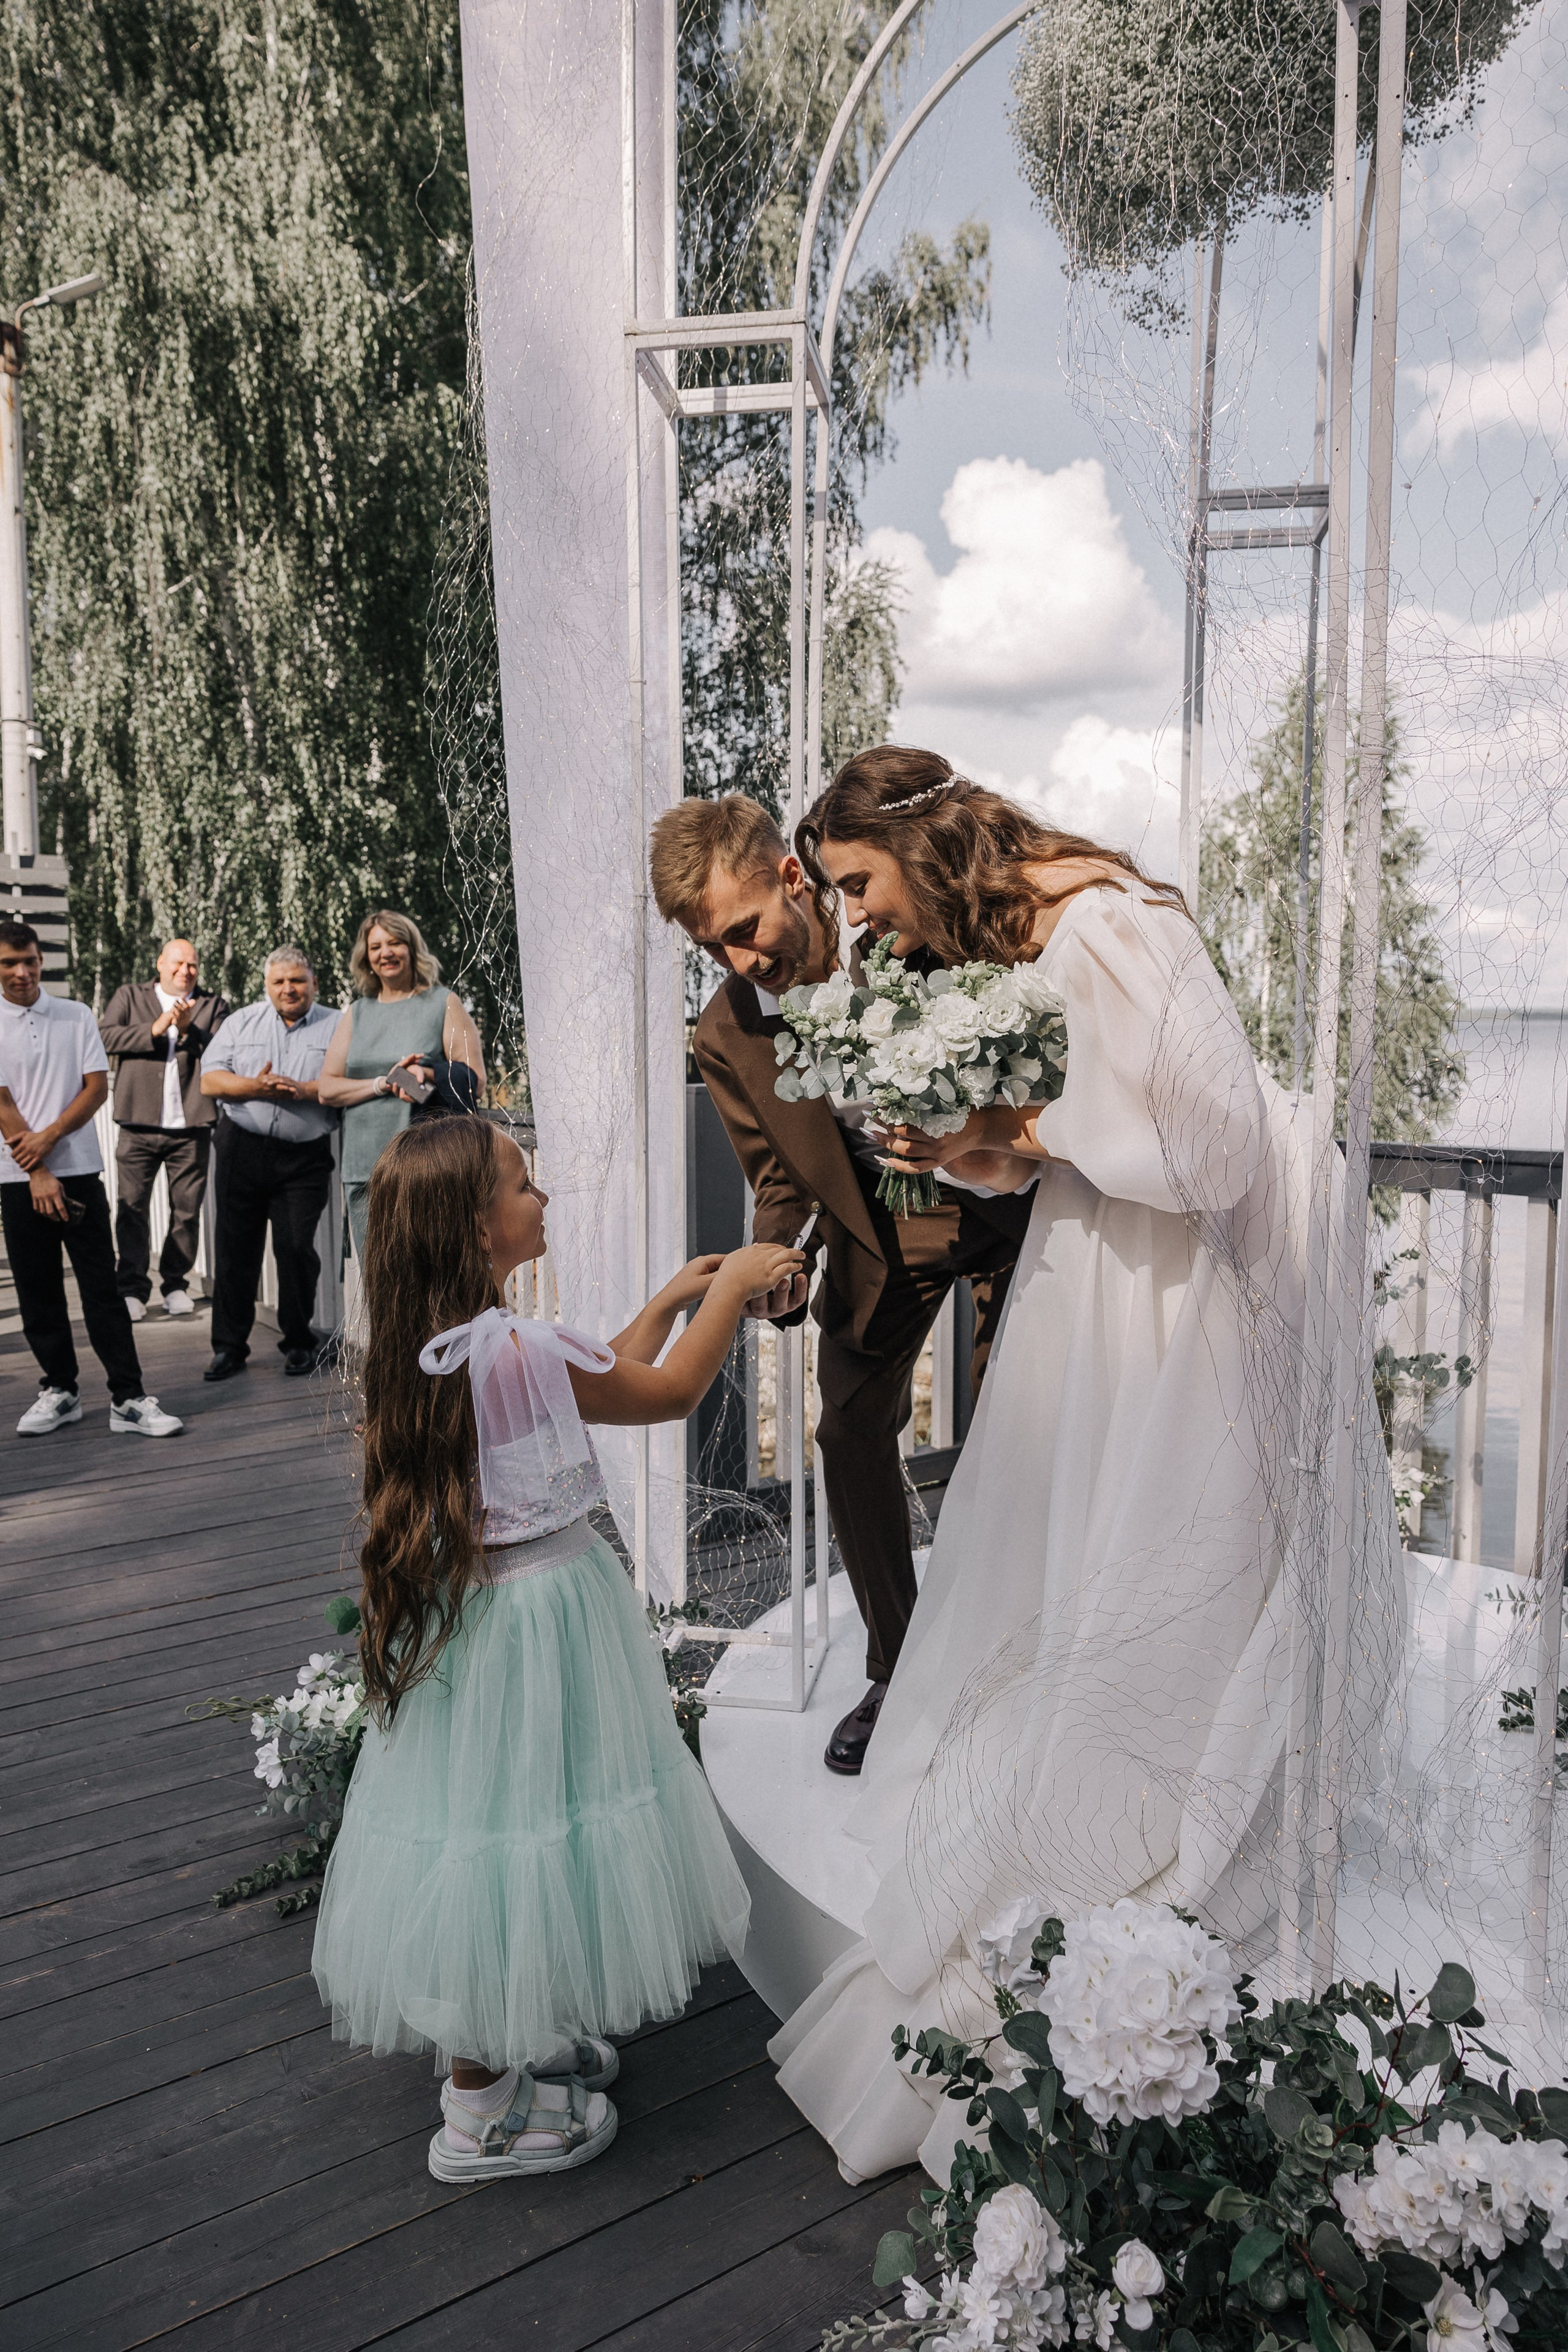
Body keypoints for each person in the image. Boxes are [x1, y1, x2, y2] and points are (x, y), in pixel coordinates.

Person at [766, 746, 1400, 2182]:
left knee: (1174, 1533)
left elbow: (1213, 1142)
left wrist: (1010, 1124)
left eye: (855, 883)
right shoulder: (1012, 937)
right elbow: (1072, 1144)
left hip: (1198, 1278)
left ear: (917, 843)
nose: (854, 918)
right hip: (1113, 1252)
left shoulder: (1110, 919)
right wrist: (967, 1145)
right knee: (1082, 1528)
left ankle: (1166, 1785)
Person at [311, 1114, 802, 2182]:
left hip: (485, 1622)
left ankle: (512, 2026)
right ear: (477, 1227)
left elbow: (592, 1377)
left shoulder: (446, 1346)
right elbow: (663, 1395)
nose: (542, 1199)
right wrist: (731, 1290)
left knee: (500, 1821)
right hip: (537, 1617)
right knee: (514, 1833)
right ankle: (480, 2109)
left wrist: (668, 1303)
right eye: (523, 1185)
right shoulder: (508, 1347)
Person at [649, 793, 1035, 1775]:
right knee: (847, 1429)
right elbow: (780, 1177)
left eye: (745, 930)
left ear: (792, 879)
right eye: (713, 948)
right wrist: (778, 1262)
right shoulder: (725, 1032)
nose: (739, 961)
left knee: (1027, 1423)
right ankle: (899, 1668)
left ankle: (1026, 1657)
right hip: (877, 1228)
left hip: (1002, 1202)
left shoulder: (904, 928)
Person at [0, 922, 183, 1437]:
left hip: (80, 1171)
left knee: (102, 1288)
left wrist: (49, 1140)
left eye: (30, 961)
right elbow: (3, 1103)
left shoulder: (75, 1014)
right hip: (18, 1177)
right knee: (37, 1291)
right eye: (9, 963)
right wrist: (37, 1168)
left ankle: (128, 1399)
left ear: (41, 961)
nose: (22, 972)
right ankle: (60, 1391)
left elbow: (96, 1089)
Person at [198, 946, 339, 1382]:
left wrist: (304, 1090)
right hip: (242, 1148)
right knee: (235, 1250)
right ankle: (228, 1348)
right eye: (279, 981)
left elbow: (347, 1083)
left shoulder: (339, 1025)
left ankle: (299, 1342)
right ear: (267, 985)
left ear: (314, 983)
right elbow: (210, 1079)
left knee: (296, 1249)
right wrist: (256, 1088)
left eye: (297, 980)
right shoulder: (241, 1022)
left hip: (304, 1158)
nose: (288, 989)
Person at [317, 910, 486, 1261]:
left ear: (412, 949)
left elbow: (476, 1080)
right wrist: (383, 1083)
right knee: (377, 1276)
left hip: (425, 1166)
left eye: (395, 943)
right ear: (366, 957)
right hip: (364, 1167)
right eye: (376, 946)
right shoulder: (357, 1012)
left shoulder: (442, 1002)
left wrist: (426, 1073)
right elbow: (327, 1089)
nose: (386, 953)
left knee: (428, 1272)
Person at [99, 937, 228, 1322]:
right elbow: (104, 1036)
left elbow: (224, 1050)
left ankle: (175, 1285)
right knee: (132, 1209)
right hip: (137, 1124)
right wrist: (155, 1028)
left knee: (186, 1212)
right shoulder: (130, 996)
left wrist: (189, 1032)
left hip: (192, 1126)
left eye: (192, 964)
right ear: (160, 964)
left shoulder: (213, 1005)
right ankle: (132, 1289)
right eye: (177, 963)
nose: (185, 971)